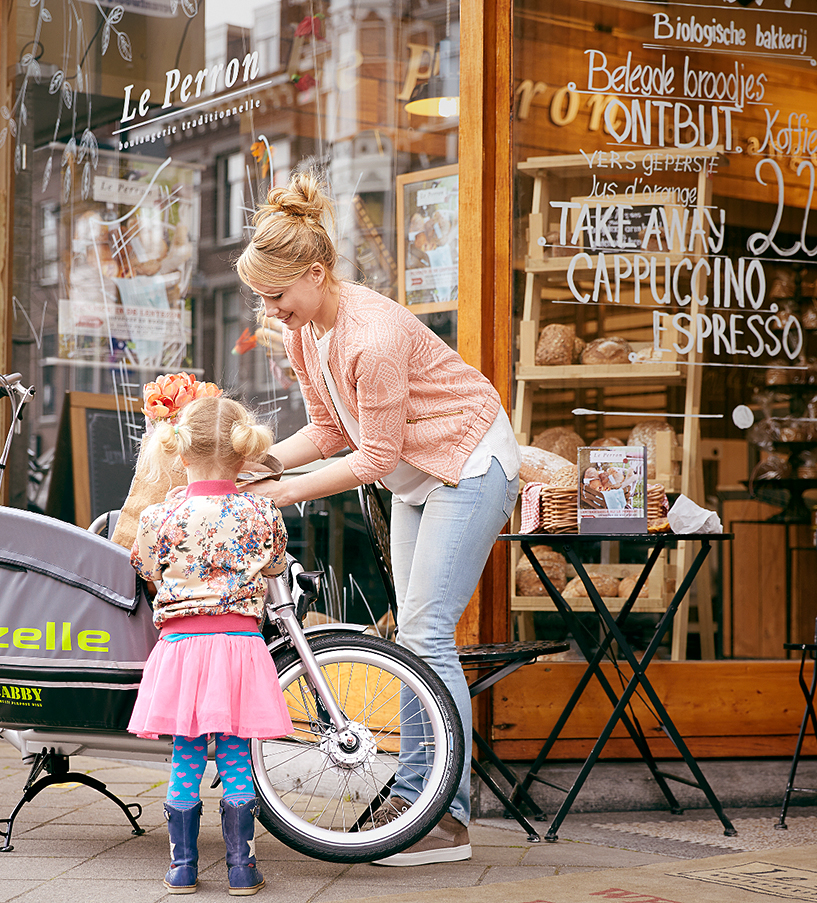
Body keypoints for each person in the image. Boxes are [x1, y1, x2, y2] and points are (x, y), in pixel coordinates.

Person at [236, 169, 521, 867]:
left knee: (426, 633)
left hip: (470, 460)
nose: (272, 312)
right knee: (417, 636)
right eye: (263, 300)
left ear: (314, 272)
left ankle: (443, 816)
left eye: (276, 297)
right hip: (415, 474)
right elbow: (331, 428)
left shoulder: (373, 334)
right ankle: (421, 798)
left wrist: (283, 492)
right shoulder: (308, 334)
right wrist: (261, 463)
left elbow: (373, 455)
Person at [126, 394, 293, 896]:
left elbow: (144, 567)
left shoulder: (159, 517)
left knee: (187, 755)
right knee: (237, 755)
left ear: (180, 454)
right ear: (244, 457)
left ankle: (182, 868)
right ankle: (242, 868)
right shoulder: (262, 513)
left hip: (181, 648)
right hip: (239, 646)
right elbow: (277, 565)